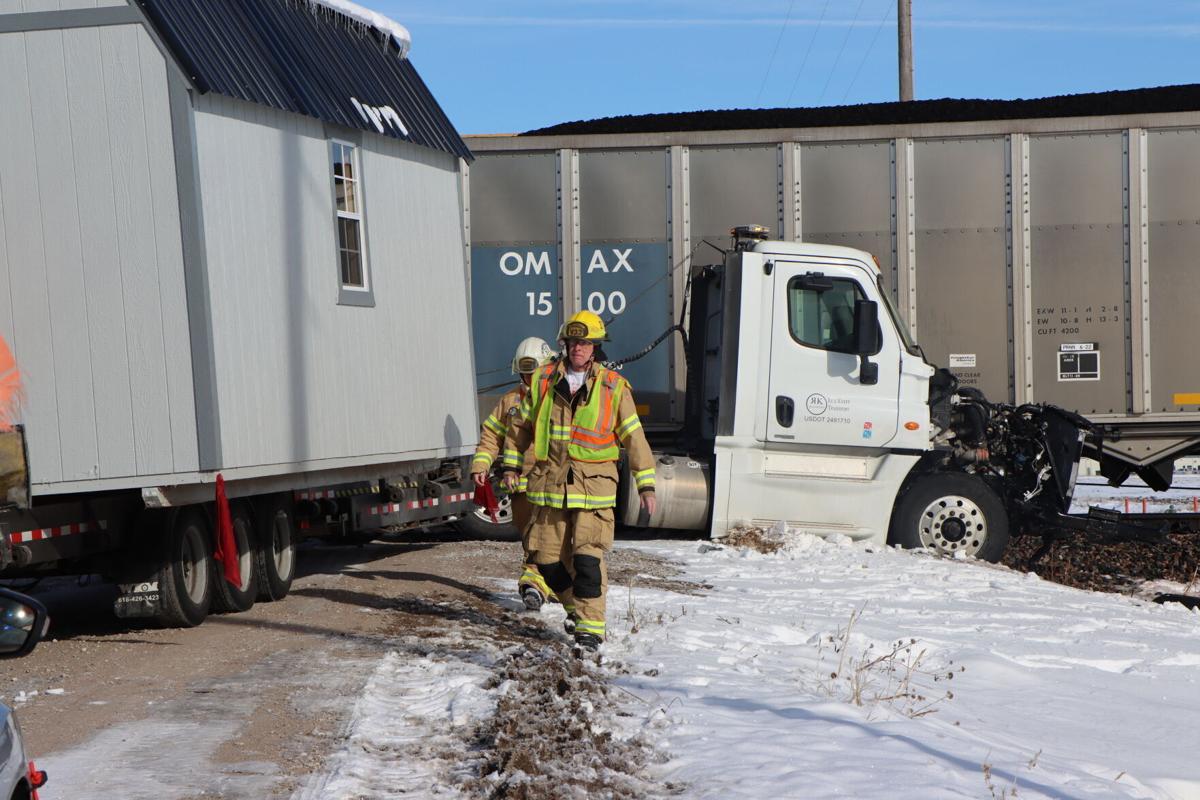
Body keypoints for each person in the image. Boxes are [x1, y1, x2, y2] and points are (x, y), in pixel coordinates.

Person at [501, 311, 656, 651]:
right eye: (573, 342)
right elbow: (518, 430)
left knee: (587, 562)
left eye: (585, 343)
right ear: (565, 345)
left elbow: (634, 436)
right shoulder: (542, 382)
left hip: (594, 489)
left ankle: (590, 630)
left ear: (596, 346)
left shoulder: (613, 387)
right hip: (550, 486)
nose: (578, 349)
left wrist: (646, 483)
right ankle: (573, 607)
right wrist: (511, 468)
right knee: (544, 559)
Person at [470, 337, 558, 610]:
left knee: (550, 538)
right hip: (519, 487)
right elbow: (490, 438)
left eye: (534, 373)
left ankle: (536, 584)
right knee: (531, 537)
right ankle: (541, 583)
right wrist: (481, 464)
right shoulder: (509, 402)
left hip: (552, 485)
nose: (528, 378)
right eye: (524, 373)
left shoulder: (558, 399)